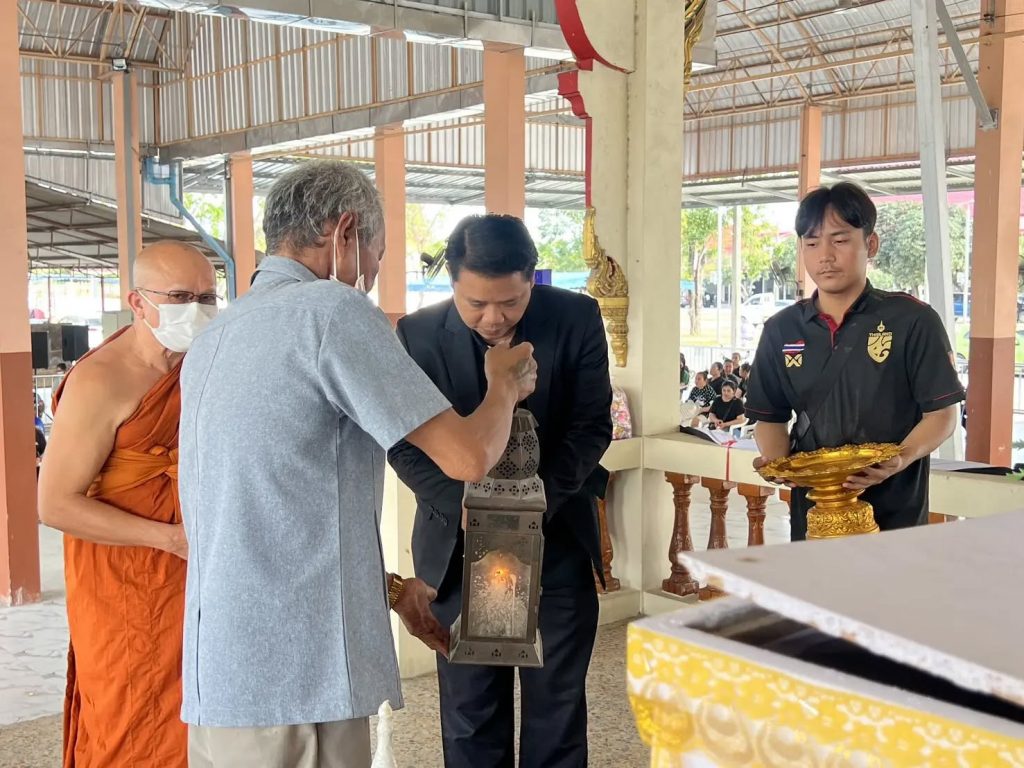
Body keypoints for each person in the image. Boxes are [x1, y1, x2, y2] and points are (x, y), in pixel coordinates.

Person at [177, 161, 538, 768]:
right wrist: (503, 384)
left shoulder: (219, 332)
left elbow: (275, 505)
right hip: (295, 674)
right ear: (345, 232)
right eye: (377, 255)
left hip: (221, 665)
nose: (371, 274)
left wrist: (389, 588)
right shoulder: (330, 310)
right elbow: (468, 456)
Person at [388, 214, 612, 768]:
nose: (494, 317)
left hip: (555, 542)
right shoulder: (418, 336)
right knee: (470, 714)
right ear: (452, 283)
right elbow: (403, 446)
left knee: (557, 706)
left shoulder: (576, 317)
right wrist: (466, 504)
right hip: (458, 552)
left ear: (532, 278)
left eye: (511, 302)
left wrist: (528, 507)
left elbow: (591, 427)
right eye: (476, 303)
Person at [37, 241, 216, 768]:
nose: (196, 310)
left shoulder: (204, 364)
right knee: (130, 722)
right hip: (123, 579)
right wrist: (168, 538)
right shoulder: (101, 378)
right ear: (138, 302)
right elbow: (55, 504)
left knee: (195, 721)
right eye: (180, 297)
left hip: (193, 577)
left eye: (207, 297)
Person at [744, 182, 964, 540]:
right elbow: (770, 417)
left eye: (840, 240)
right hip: (813, 516)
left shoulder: (911, 320)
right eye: (812, 243)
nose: (825, 256)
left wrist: (902, 457)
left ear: (870, 244)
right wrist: (777, 461)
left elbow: (942, 415)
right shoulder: (781, 329)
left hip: (895, 516)